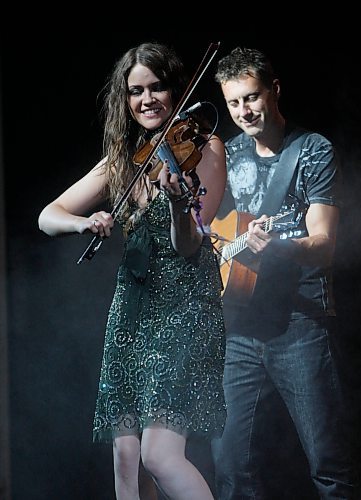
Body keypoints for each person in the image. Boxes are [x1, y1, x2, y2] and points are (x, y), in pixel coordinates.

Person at [38, 42, 227, 500]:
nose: (147, 100)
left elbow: (189, 247)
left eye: (158, 87)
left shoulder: (205, 148)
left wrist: (181, 206)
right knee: (125, 459)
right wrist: (86, 221)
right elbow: (48, 215)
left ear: (176, 90)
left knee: (159, 455)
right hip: (133, 308)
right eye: (136, 91)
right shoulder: (125, 159)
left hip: (184, 307)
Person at [212, 46, 356, 499]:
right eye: (233, 102)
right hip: (241, 325)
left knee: (329, 464)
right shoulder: (228, 154)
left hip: (301, 323)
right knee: (231, 466)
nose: (243, 111)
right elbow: (210, 233)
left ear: (274, 90)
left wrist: (279, 247)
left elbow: (323, 247)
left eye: (251, 97)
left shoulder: (312, 151)